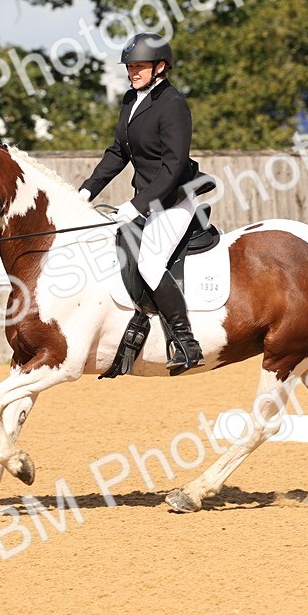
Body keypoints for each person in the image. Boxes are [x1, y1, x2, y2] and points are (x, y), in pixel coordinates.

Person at [79, 32, 211, 375]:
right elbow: (119, 152)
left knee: (150, 264)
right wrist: (87, 190)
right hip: (147, 199)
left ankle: (186, 342)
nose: (132, 72)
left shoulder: (173, 104)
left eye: (139, 66)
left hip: (172, 199)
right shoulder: (130, 100)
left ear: (160, 66)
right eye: (129, 66)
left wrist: (139, 204)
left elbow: (174, 165)